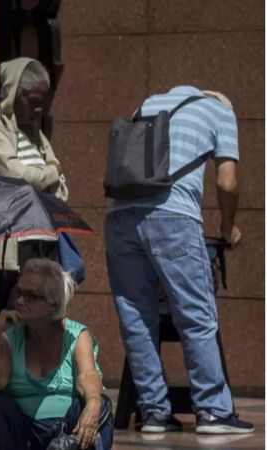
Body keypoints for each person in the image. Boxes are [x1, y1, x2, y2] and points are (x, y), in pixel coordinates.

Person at [105, 87, 253, 434]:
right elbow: (227, 182)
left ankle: (154, 412)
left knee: (137, 319)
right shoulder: (220, 112)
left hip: (118, 217)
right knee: (196, 316)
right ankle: (214, 411)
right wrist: (228, 227)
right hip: (172, 217)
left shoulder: (148, 104)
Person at [0, 258, 114, 450]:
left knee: (101, 405)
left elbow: (87, 375)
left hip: (66, 432)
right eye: (19, 293)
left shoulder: (76, 335)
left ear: (53, 304)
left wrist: (93, 404)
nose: (20, 301)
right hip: (23, 433)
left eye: (32, 296)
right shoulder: (10, 337)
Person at [0, 57, 68, 315]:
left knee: (42, 312)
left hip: (42, 233)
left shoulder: (34, 131)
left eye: (42, 104)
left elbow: (61, 181)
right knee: (14, 310)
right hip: (12, 237)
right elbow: (16, 175)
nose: (38, 111)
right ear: (14, 93)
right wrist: (50, 173)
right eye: (33, 102)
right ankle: (3, 357)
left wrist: (48, 175)